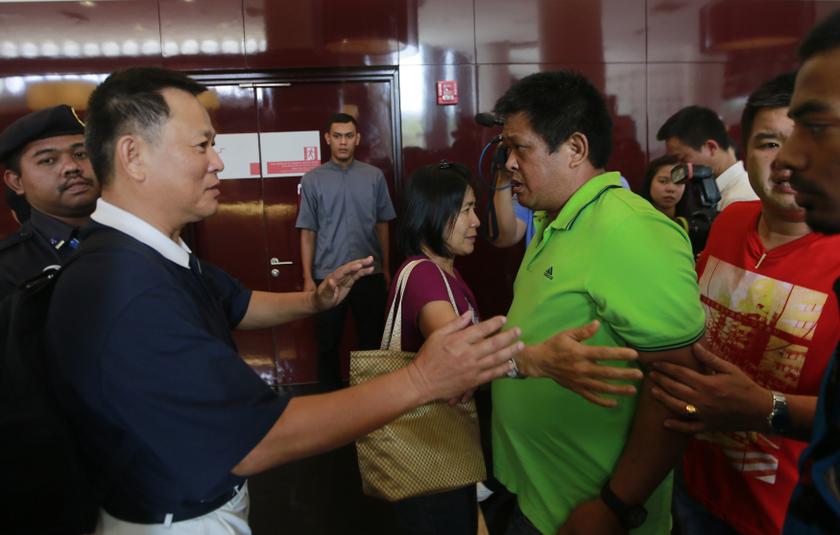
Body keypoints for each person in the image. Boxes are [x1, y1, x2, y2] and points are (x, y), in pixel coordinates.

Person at [45, 67, 525, 535]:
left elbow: (239, 302)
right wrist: (422, 379)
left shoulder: (156, 252)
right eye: (202, 145)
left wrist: (314, 300)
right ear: (133, 156)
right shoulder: (125, 286)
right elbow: (255, 439)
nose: (217, 161)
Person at [490, 70, 706, 535]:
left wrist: (614, 505)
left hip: (588, 511)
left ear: (574, 149)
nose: (507, 163)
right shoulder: (556, 219)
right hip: (537, 495)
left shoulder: (630, 231)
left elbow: (677, 390)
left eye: (518, 148)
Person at [648, 72, 840, 535]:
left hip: (783, 517)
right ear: (742, 150)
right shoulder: (729, 220)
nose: (790, 161)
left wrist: (766, 408)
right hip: (689, 486)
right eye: (770, 143)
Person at [296, 112, 396, 388]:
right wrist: (307, 278)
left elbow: (382, 226)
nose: (343, 142)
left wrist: (386, 269)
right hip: (329, 276)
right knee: (327, 342)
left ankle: (369, 400)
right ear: (327, 139)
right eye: (337, 136)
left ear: (357, 139)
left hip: (368, 274)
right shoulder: (313, 180)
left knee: (372, 341)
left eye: (348, 136)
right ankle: (329, 400)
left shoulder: (374, 177)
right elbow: (308, 230)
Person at [0, 104, 100, 297]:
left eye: (81, 154)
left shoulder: (140, 234)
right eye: (48, 160)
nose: (71, 167)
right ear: (16, 182)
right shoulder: (7, 266)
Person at [657, 105, 758, 211]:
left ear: (711, 148)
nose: (680, 167)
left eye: (682, 158)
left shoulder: (739, 201)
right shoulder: (714, 193)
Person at [640, 153, 686, 225]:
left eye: (678, 182)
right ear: (649, 182)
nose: (671, 189)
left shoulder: (694, 222)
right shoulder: (638, 219)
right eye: (663, 181)